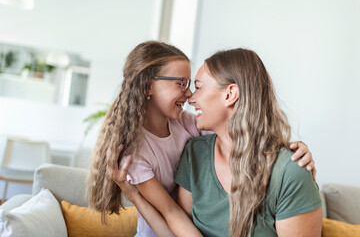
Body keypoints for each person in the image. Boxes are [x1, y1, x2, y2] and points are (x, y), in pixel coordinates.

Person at [87, 41, 316, 237]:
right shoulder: (138, 153)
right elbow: (171, 214)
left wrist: (291, 151)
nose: (190, 96)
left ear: (230, 94)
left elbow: (248, 135)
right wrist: (131, 192)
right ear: (148, 85)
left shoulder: (189, 127)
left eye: (194, 87)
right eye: (183, 84)